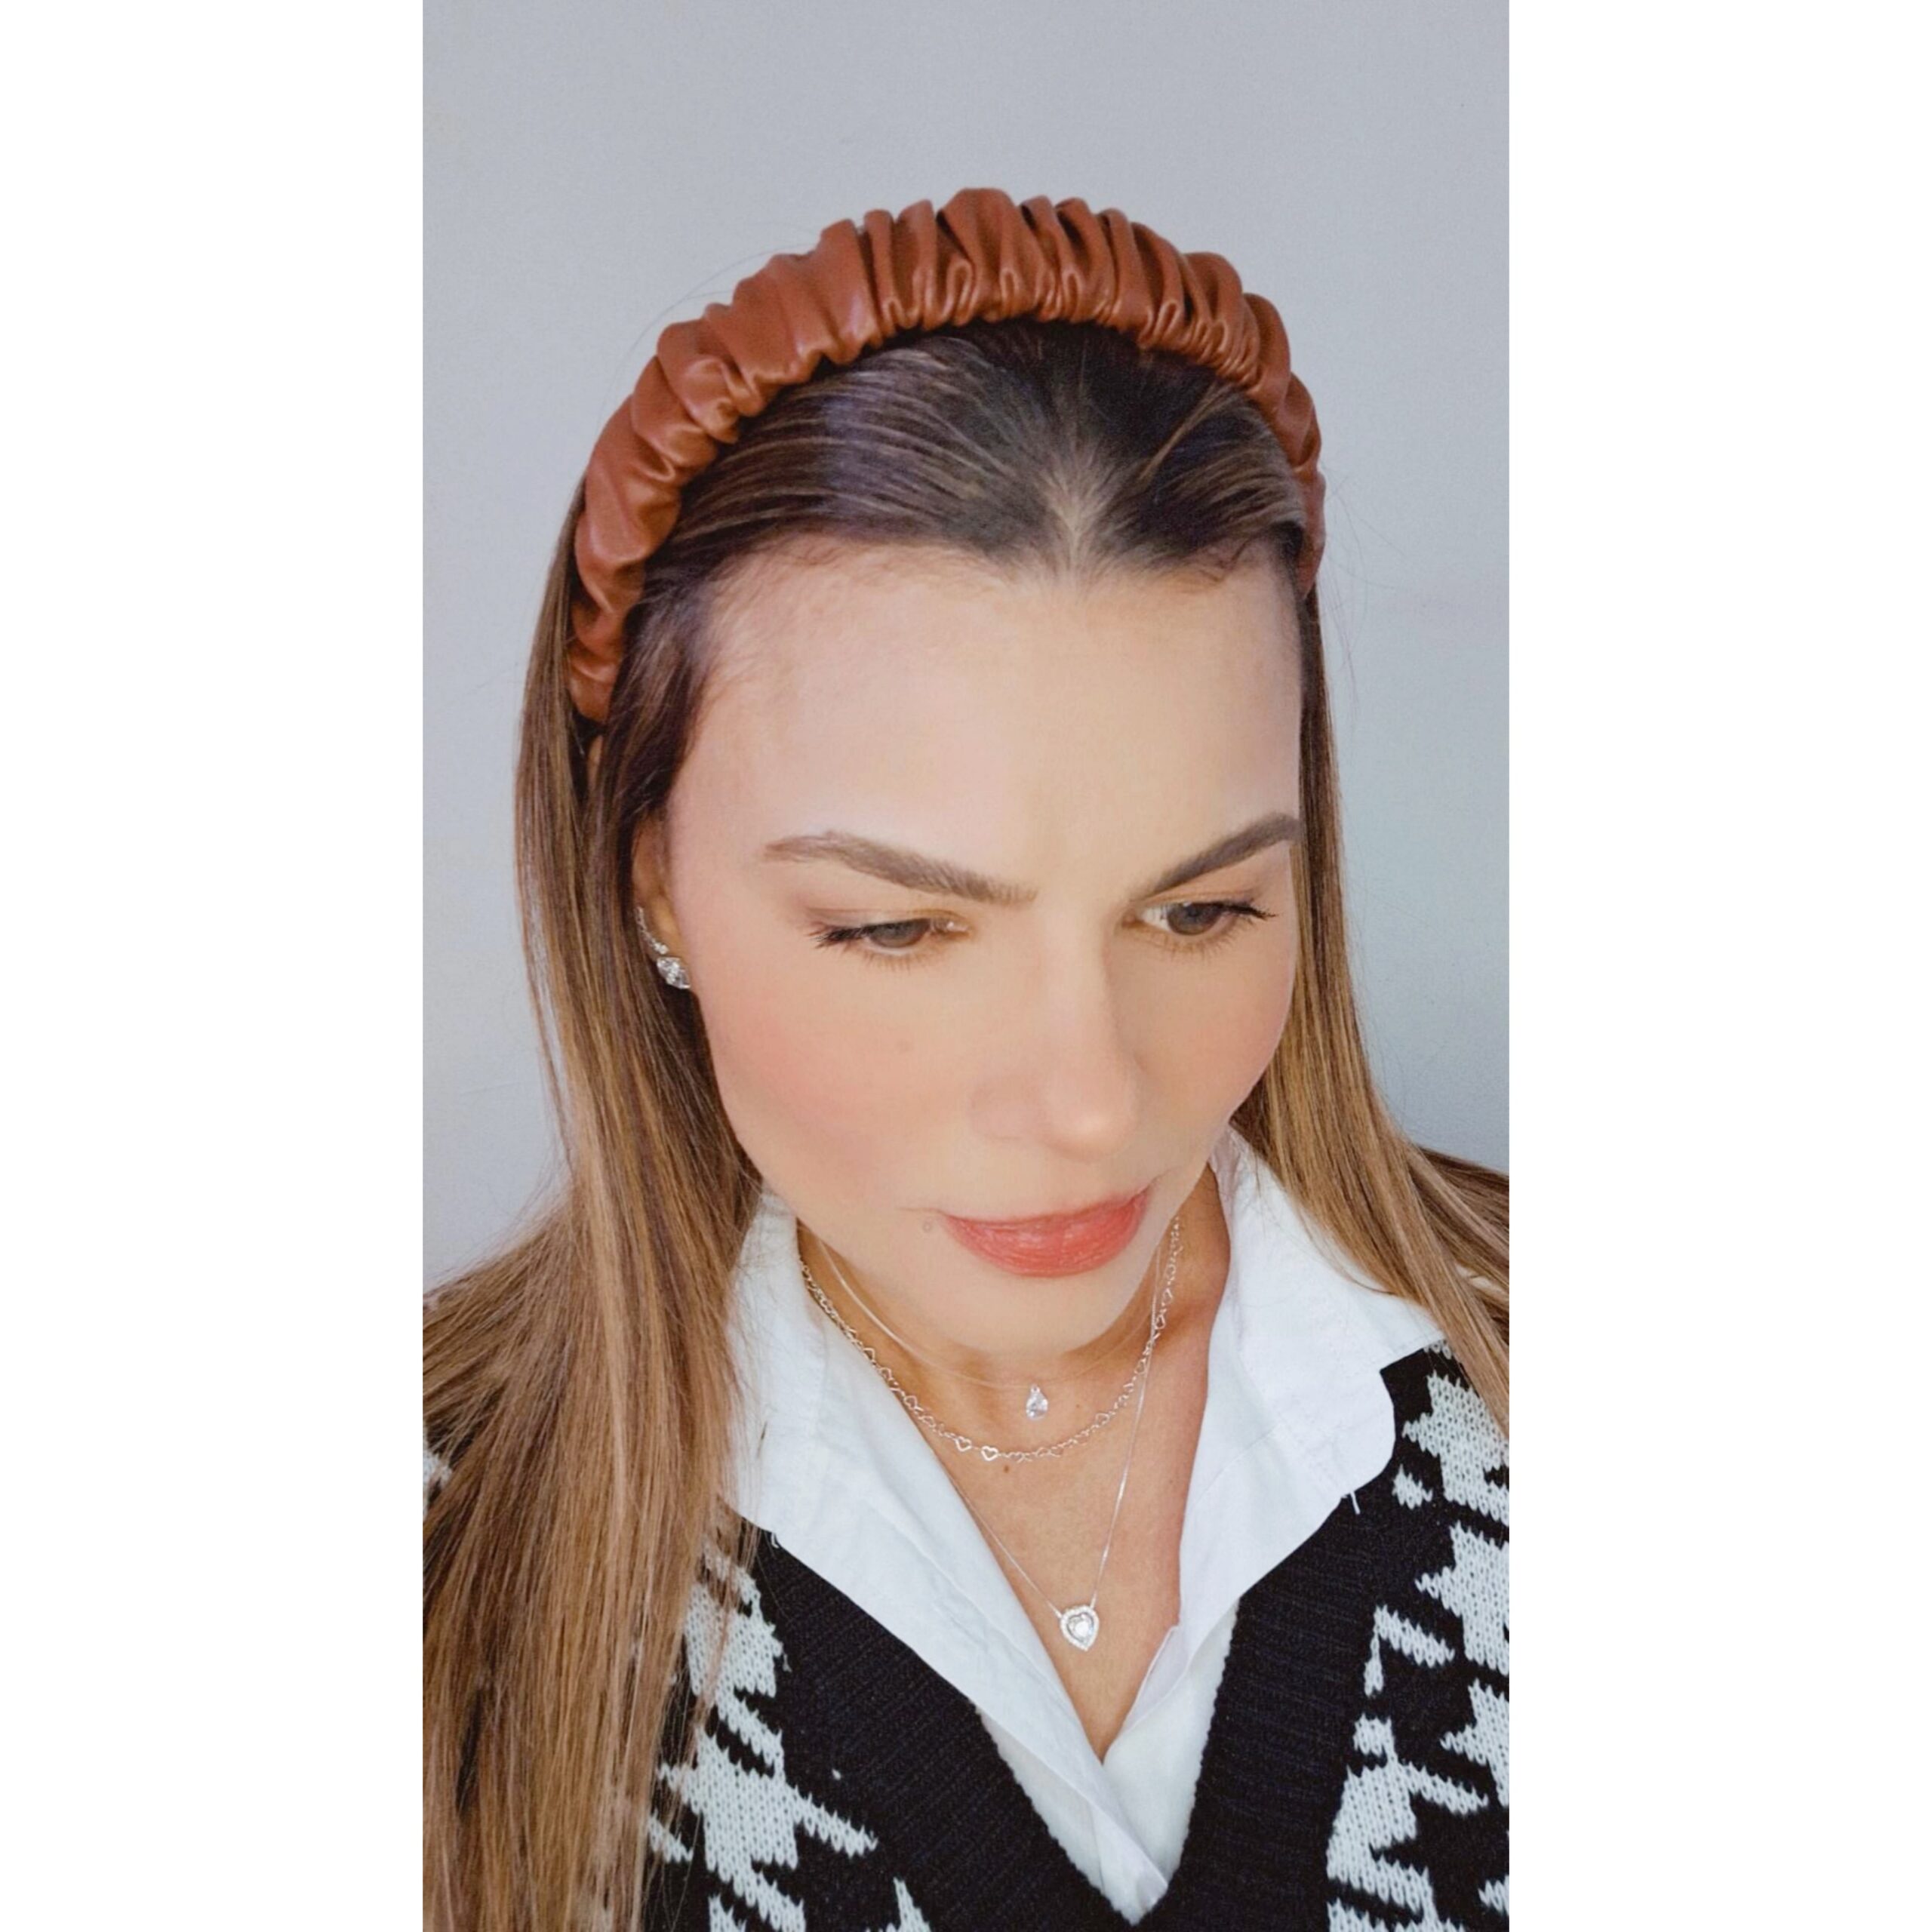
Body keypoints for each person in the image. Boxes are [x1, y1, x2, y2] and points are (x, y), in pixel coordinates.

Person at [424, 189, 1509, 1932]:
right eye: (898, 929)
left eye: (1200, 909)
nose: (1089, 1103)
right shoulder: (422, 1566)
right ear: (649, 882)